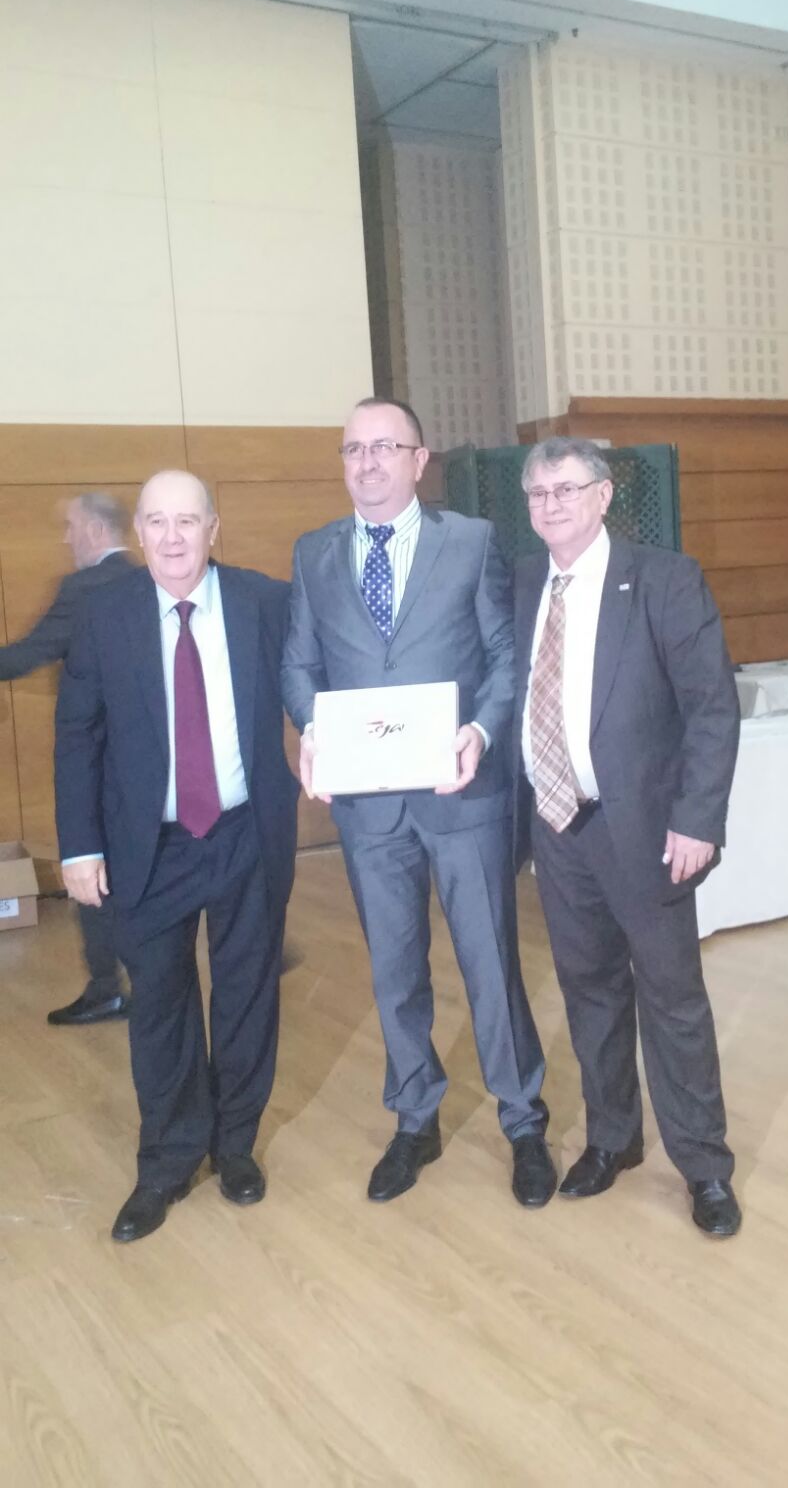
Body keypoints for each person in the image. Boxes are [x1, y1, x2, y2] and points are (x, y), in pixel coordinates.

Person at [282, 397, 554, 1208]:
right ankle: (414, 1117)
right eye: (353, 449)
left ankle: (523, 1119)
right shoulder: (314, 553)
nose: (367, 462)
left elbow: (504, 657)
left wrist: (481, 730)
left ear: (418, 459)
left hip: (460, 792)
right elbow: (298, 665)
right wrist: (311, 731)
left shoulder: (469, 541)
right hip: (369, 811)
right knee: (394, 969)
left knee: (490, 965)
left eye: (384, 447)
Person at [55, 471, 298, 1243]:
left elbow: (317, 683)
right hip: (147, 845)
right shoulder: (106, 615)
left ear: (213, 528)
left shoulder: (264, 602)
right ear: (139, 530)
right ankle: (165, 1161)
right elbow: (77, 734)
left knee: (247, 995)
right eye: (156, 521)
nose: (171, 537)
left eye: (187, 521)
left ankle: (235, 1146)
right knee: (159, 1004)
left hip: (244, 832)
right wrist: (79, 845)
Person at [514, 438, 742, 1237]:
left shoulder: (664, 579)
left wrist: (698, 818)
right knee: (590, 992)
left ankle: (705, 1167)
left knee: (673, 1001)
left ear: (605, 495)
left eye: (566, 489)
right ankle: (613, 1138)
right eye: (537, 494)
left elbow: (712, 706)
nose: (550, 505)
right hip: (559, 827)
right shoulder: (524, 583)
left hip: (647, 831)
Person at [0, 493, 133, 1025]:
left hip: (98, 758)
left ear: (96, 530)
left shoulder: (85, 588)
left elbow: (26, 655)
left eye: (71, 526)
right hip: (149, 758)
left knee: (88, 867)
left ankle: (107, 987)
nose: (66, 537)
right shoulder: (146, 578)